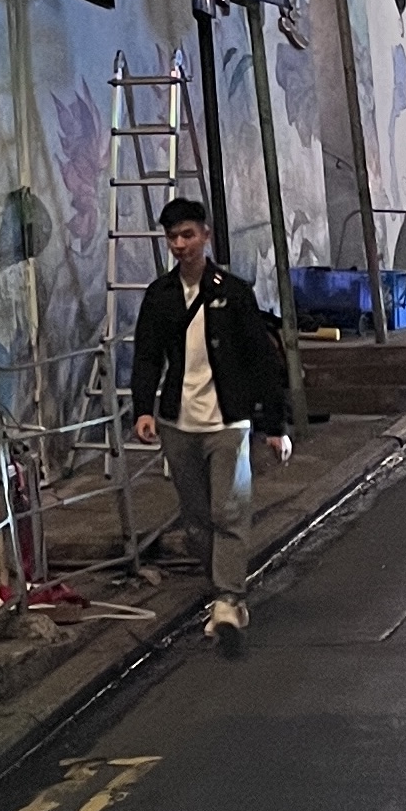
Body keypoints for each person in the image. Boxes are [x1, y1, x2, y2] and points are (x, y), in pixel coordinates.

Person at [131, 194, 292, 656]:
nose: (180, 245)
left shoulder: (233, 292)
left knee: (229, 511)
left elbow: (261, 361)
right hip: (177, 422)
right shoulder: (160, 296)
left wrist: (274, 424)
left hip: (228, 421)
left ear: (205, 236)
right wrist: (143, 409)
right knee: (197, 521)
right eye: (172, 237)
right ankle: (222, 588)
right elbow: (147, 356)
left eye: (187, 235)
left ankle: (228, 598)